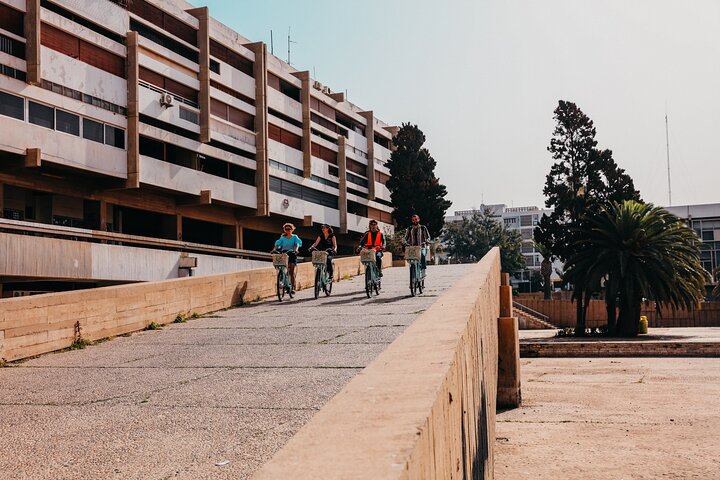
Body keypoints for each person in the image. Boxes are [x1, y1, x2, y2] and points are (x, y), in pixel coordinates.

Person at [272, 223, 302, 293]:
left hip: (292, 253)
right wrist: (274, 249)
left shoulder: (294, 237)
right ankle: (282, 281)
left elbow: (297, 243)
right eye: (286, 229)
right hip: (284, 253)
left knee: (291, 272)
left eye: (289, 229)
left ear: (292, 230)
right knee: (282, 268)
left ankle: (293, 287)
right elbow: (277, 244)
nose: (287, 230)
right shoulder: (282, 237)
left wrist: (297, 249)